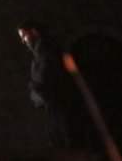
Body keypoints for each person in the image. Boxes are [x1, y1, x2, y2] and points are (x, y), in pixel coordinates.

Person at [17, 19, 87, 149]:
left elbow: (46, 72)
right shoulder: (44, 48)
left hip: (56, 97)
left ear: (33, 32)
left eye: (24, 36)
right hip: (54, 97)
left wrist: (37, 87)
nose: (23, 41)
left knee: (63, 133)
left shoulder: (45, 49)